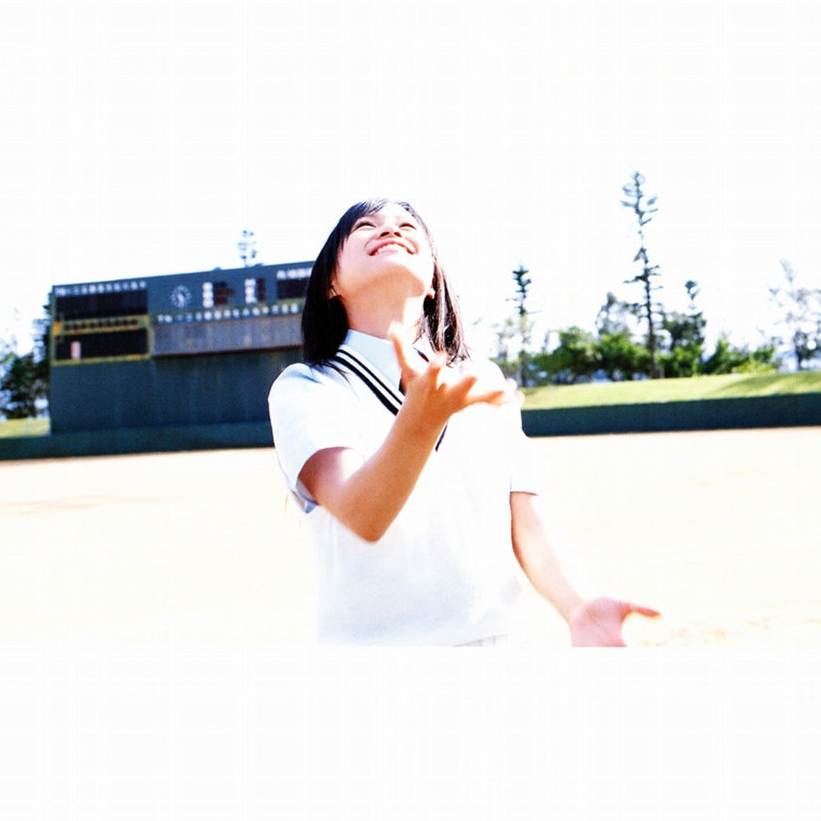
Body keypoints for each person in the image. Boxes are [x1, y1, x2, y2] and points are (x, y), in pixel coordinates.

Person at [268, 197, 660, 647]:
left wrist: (578, 606)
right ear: (329, 284)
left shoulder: (483, 379)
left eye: (407, 224)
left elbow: (524, 515)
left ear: (433, 280)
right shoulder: (309, 386)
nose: (390, 229)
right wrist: (420, 420)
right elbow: (364, 513)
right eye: (365, 226)